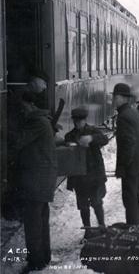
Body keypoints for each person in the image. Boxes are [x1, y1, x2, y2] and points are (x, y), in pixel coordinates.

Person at [12, 91, 57, 272]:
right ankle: (44, 258)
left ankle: (36, 262)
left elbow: (18, 141)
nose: (22, 111)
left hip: (37, 179)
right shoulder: (42, 120)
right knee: (41, 219)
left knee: (33, 222)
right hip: (42, 177)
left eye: (23, 107)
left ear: (31, 105)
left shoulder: (36, 122)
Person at [65, 107, 108, 239]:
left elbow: (104, 139)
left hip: (94, 174)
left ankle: (102, 226)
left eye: (80, 121)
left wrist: (91, 139)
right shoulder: (70, 136)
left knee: (97, 202)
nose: (78, 123)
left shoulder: (93, 131)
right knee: (83, 205)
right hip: (79, 177)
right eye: (76, 121)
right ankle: (88, 230)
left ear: (85, 120)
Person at [112, 83, 139, 226]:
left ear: (122, 98)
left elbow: (128, 144)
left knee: (130, 200)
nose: (113, 100)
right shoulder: (134, 112)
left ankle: (133, 230)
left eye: (115, 97)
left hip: (131, 167)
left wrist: (123, 166)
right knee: (138, 197)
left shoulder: (123, 116)